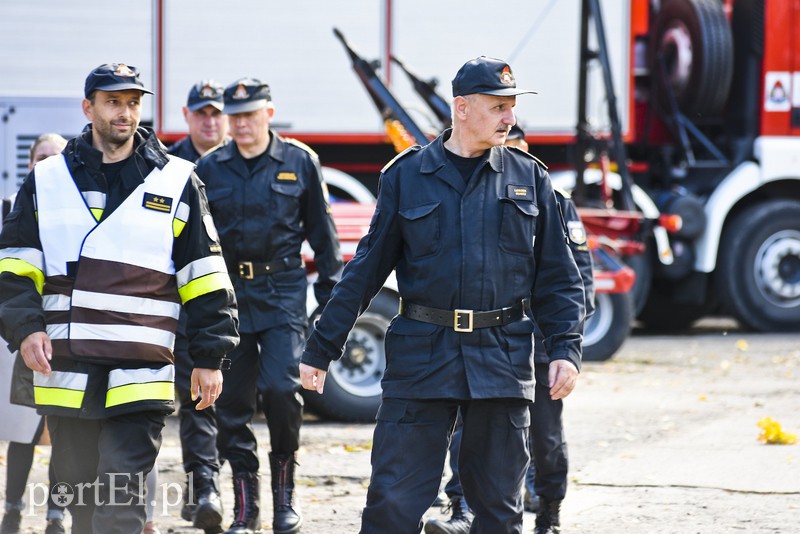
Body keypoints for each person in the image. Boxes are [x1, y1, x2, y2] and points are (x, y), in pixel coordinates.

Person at [300, 56, 585, 534]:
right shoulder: (406, 176)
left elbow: (560, 276)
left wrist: (566, 349)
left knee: (498, 512)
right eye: (497, 107)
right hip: (423, 357)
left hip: (502, 358)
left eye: (511, 107)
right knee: (392, 503)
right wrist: (320, 348)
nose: (509, 118)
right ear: (462, 108)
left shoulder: (530, 177)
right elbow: (365, 271)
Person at [0, 63, 239, 534]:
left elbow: (206, 275)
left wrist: (211, 356)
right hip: (66, 370)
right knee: (79, 493)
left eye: (133, 103)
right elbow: (14, 266)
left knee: (121, 495)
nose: (125, 113)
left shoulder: (177, 179)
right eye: (113, 102)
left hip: (140, 369)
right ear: (89, 108)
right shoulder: (46, 180)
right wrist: (25, 329)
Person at [423, 123, 596, 534]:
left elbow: (578, 282)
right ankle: (463, 509)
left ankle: (549, 514)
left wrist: (562, 344)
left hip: (537, 345)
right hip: (492, 342)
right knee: (467, 430)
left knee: (545, 438)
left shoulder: (552, 198)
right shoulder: (470, 197)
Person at [195, 77, 343, 534]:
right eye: (233, 116)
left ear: (269, 114)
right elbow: (195, 242)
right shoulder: (209, 167)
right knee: (233, 404)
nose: (240, 124)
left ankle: (285, 496)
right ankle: (246, 506)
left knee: (281, 389)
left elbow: (324, 236)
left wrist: (330, 306)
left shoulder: (299, 161)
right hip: (230, 299)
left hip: (281, 292)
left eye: (249, 114)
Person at [167, 79, 230, 533]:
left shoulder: (240, 161)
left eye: (216, 113)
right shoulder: (166, 165)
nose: (209, 121)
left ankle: (208, 485)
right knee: (196, 400)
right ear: (187, 116)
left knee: (233, 399)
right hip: (184, 302)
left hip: (239, 301)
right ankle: (202, 487)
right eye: (201, 113)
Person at [0, 133, 68, 534]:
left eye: (54, 158)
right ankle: (12, 509)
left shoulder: (70, 210)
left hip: (64, 332)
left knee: (61, 429)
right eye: (40, 157)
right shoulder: (10, 207)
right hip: (19, 335)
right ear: (29, 163)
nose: (46, 164)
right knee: (23, 431)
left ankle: (56, 514)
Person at [168, 80, 229, 162]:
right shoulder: (170, 162)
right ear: (185, 114)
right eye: (201, 113)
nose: (210, 123)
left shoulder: (243, 158)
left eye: (216, 113)